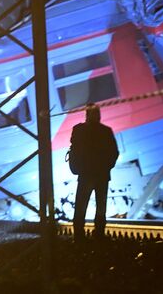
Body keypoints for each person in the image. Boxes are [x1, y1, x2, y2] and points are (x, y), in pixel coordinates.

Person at [70, 103, 119, 240]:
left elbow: (74, 149)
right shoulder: (106, 131)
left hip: (85, 174)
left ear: (86, 115)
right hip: (102, 175)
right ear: (98, 115)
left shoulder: (78, 130)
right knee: (101, 206)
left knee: (80, 206)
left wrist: (78, 167)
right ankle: (99, 234)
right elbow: (114, 152)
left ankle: (79, 236)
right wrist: (107, 167)